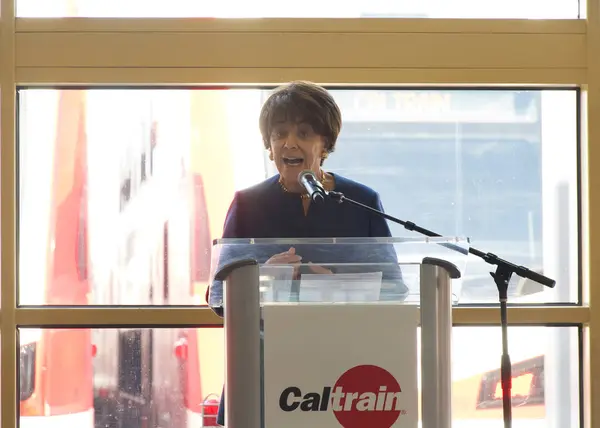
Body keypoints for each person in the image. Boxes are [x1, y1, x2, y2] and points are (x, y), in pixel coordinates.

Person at [207, 80, 408, 426]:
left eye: (303, 132)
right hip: (263, 366)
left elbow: (394, 290)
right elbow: (218, 296)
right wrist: (263, 277)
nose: (289, 143)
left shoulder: (361, 202)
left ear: (325, 144)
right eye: (279, 133)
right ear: (269, 147)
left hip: (342, 370)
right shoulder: (247, 203)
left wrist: (337, 285)